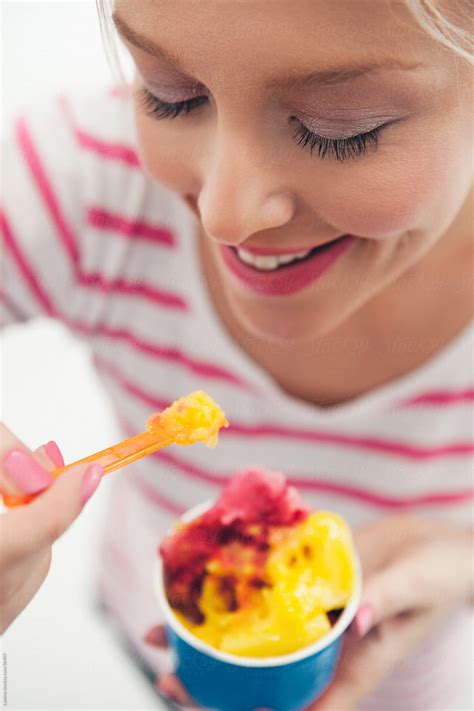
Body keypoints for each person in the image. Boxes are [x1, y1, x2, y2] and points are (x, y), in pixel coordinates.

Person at [1, 1, 473, 709]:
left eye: (339, 129)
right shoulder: (91, 179)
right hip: (153, 633)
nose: (227, 213)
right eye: (170, 95)